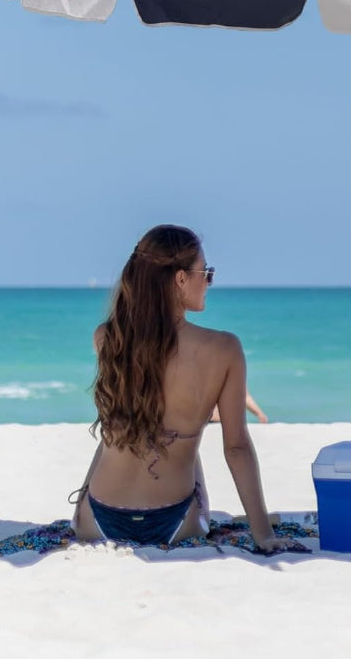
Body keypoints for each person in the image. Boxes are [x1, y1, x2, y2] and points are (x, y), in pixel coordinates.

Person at [70, 224, 287, 550]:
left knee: (125, 426)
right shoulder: (224, 348)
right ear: (181, 279)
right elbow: (236, 447)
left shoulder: (106, 337)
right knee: (184, 438)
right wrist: (263, 535)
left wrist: (83, 502)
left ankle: (86, 502)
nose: (209, 281)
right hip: (175, 524)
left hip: (97, 521)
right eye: (207, 272)